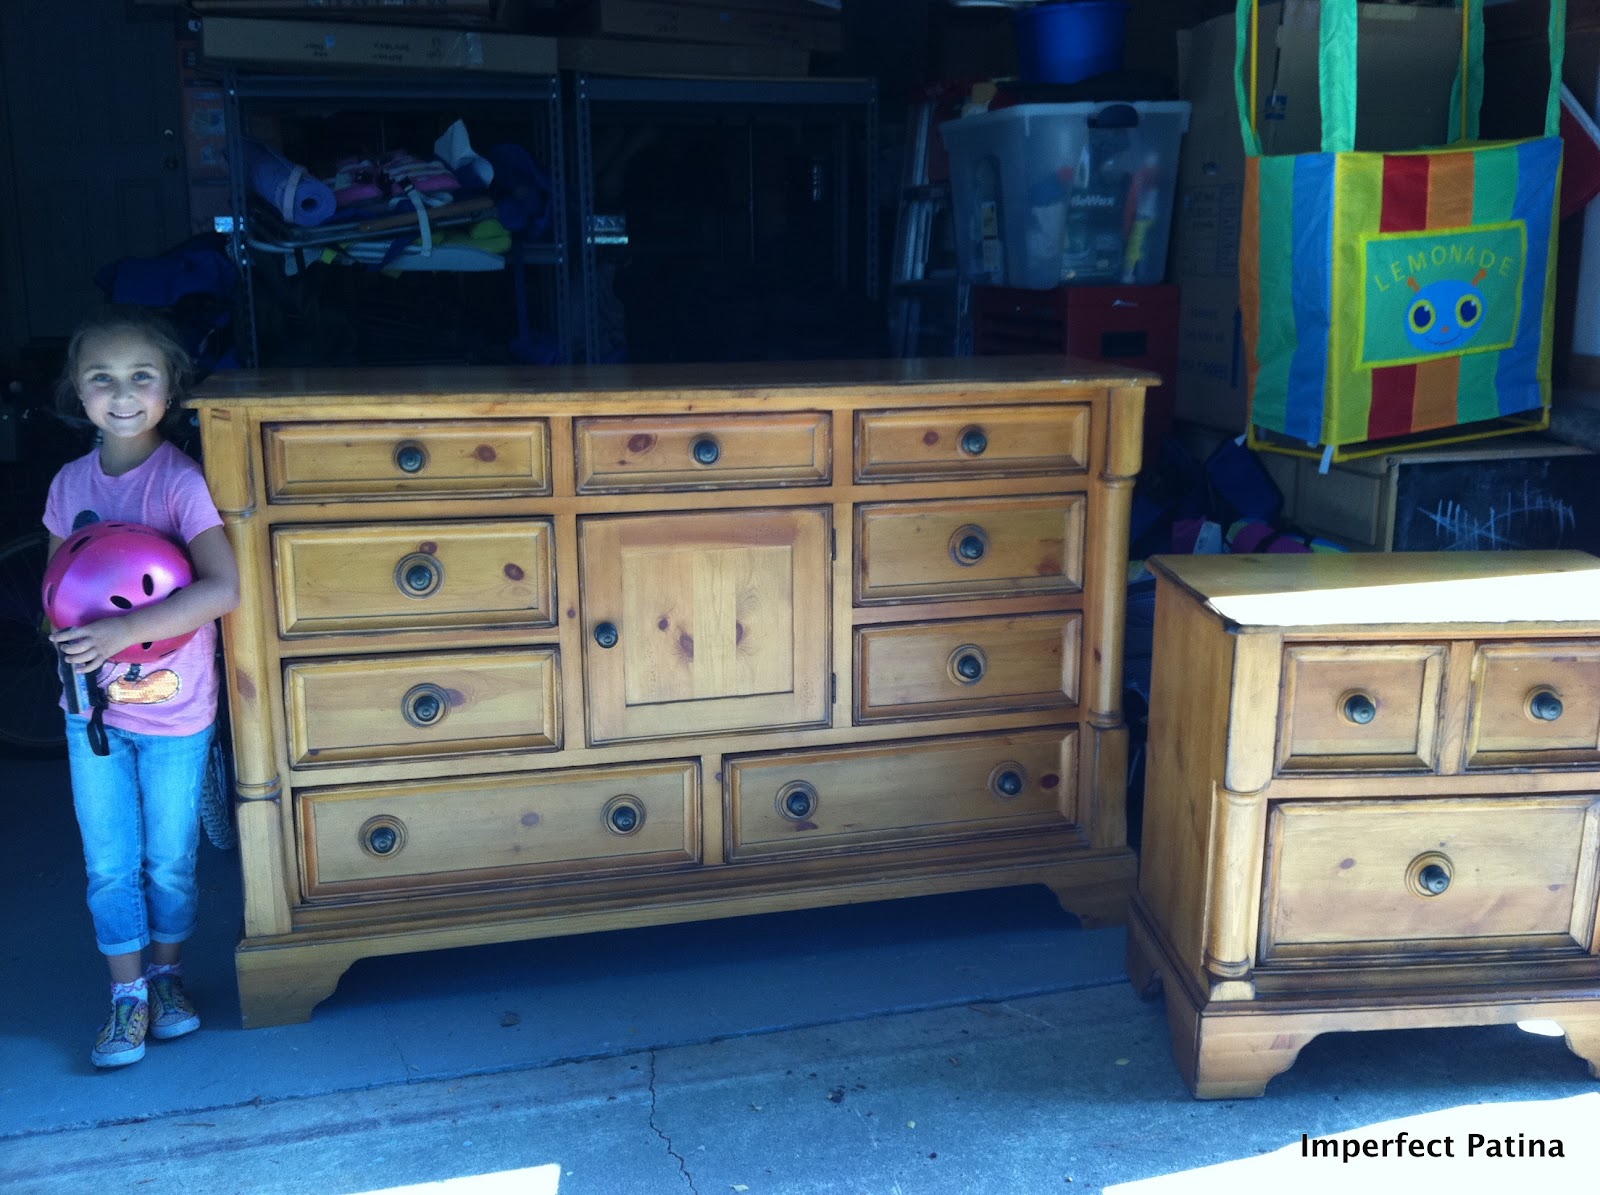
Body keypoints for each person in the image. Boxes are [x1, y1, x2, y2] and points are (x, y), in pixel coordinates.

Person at [42, 306, 239, 1069]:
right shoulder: (69, 484)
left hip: (178, 713)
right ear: (77, 391)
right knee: (110, 861)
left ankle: (166, 976)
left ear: (169, 389)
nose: (121, 393)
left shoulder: (179, 483)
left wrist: (124, 633)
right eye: (102, 378)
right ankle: (124, 996)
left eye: (140, 377)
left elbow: (222, 588)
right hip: (88, 712)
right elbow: (58, 585)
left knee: (170, 859)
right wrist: (74, 640)